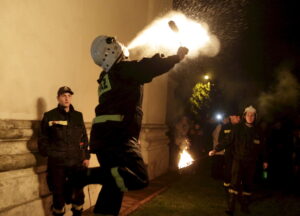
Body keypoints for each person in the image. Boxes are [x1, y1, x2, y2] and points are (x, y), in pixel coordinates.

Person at [78, 35, 188, 216]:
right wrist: (175, 57)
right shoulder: (121, 69)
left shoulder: (109, 75)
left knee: (114, 184)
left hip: (105, 136)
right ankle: (84, 176)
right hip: (118, 135)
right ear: (111, 51)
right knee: (139, 177)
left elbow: (141, 69)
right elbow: (146, 68)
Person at [38, 86, 90, 216]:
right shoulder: (49, 116)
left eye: (69, 96)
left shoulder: (78, 116)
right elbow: (42, 139)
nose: (67, 98)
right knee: (58, 195)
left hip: (76, 163)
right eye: (63, 96)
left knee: (78, 194)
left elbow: (84, 137)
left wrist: (86, 157)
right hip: (57, 165)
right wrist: (52, 153)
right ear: (58, 98)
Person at [209, 105, 268, 215]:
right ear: (244, 116)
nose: (250, 117)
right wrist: (216, 150)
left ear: (255, 117)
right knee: (234, 183)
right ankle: (231, 208)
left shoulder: (258, 131)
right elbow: (227, 140)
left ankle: (245, 206)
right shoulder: (237, 128)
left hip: (251, 162)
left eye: (252, 115)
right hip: (238, 160)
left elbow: (262, 147)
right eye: (248, 115)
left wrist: (265, 160)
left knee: (248, 184)